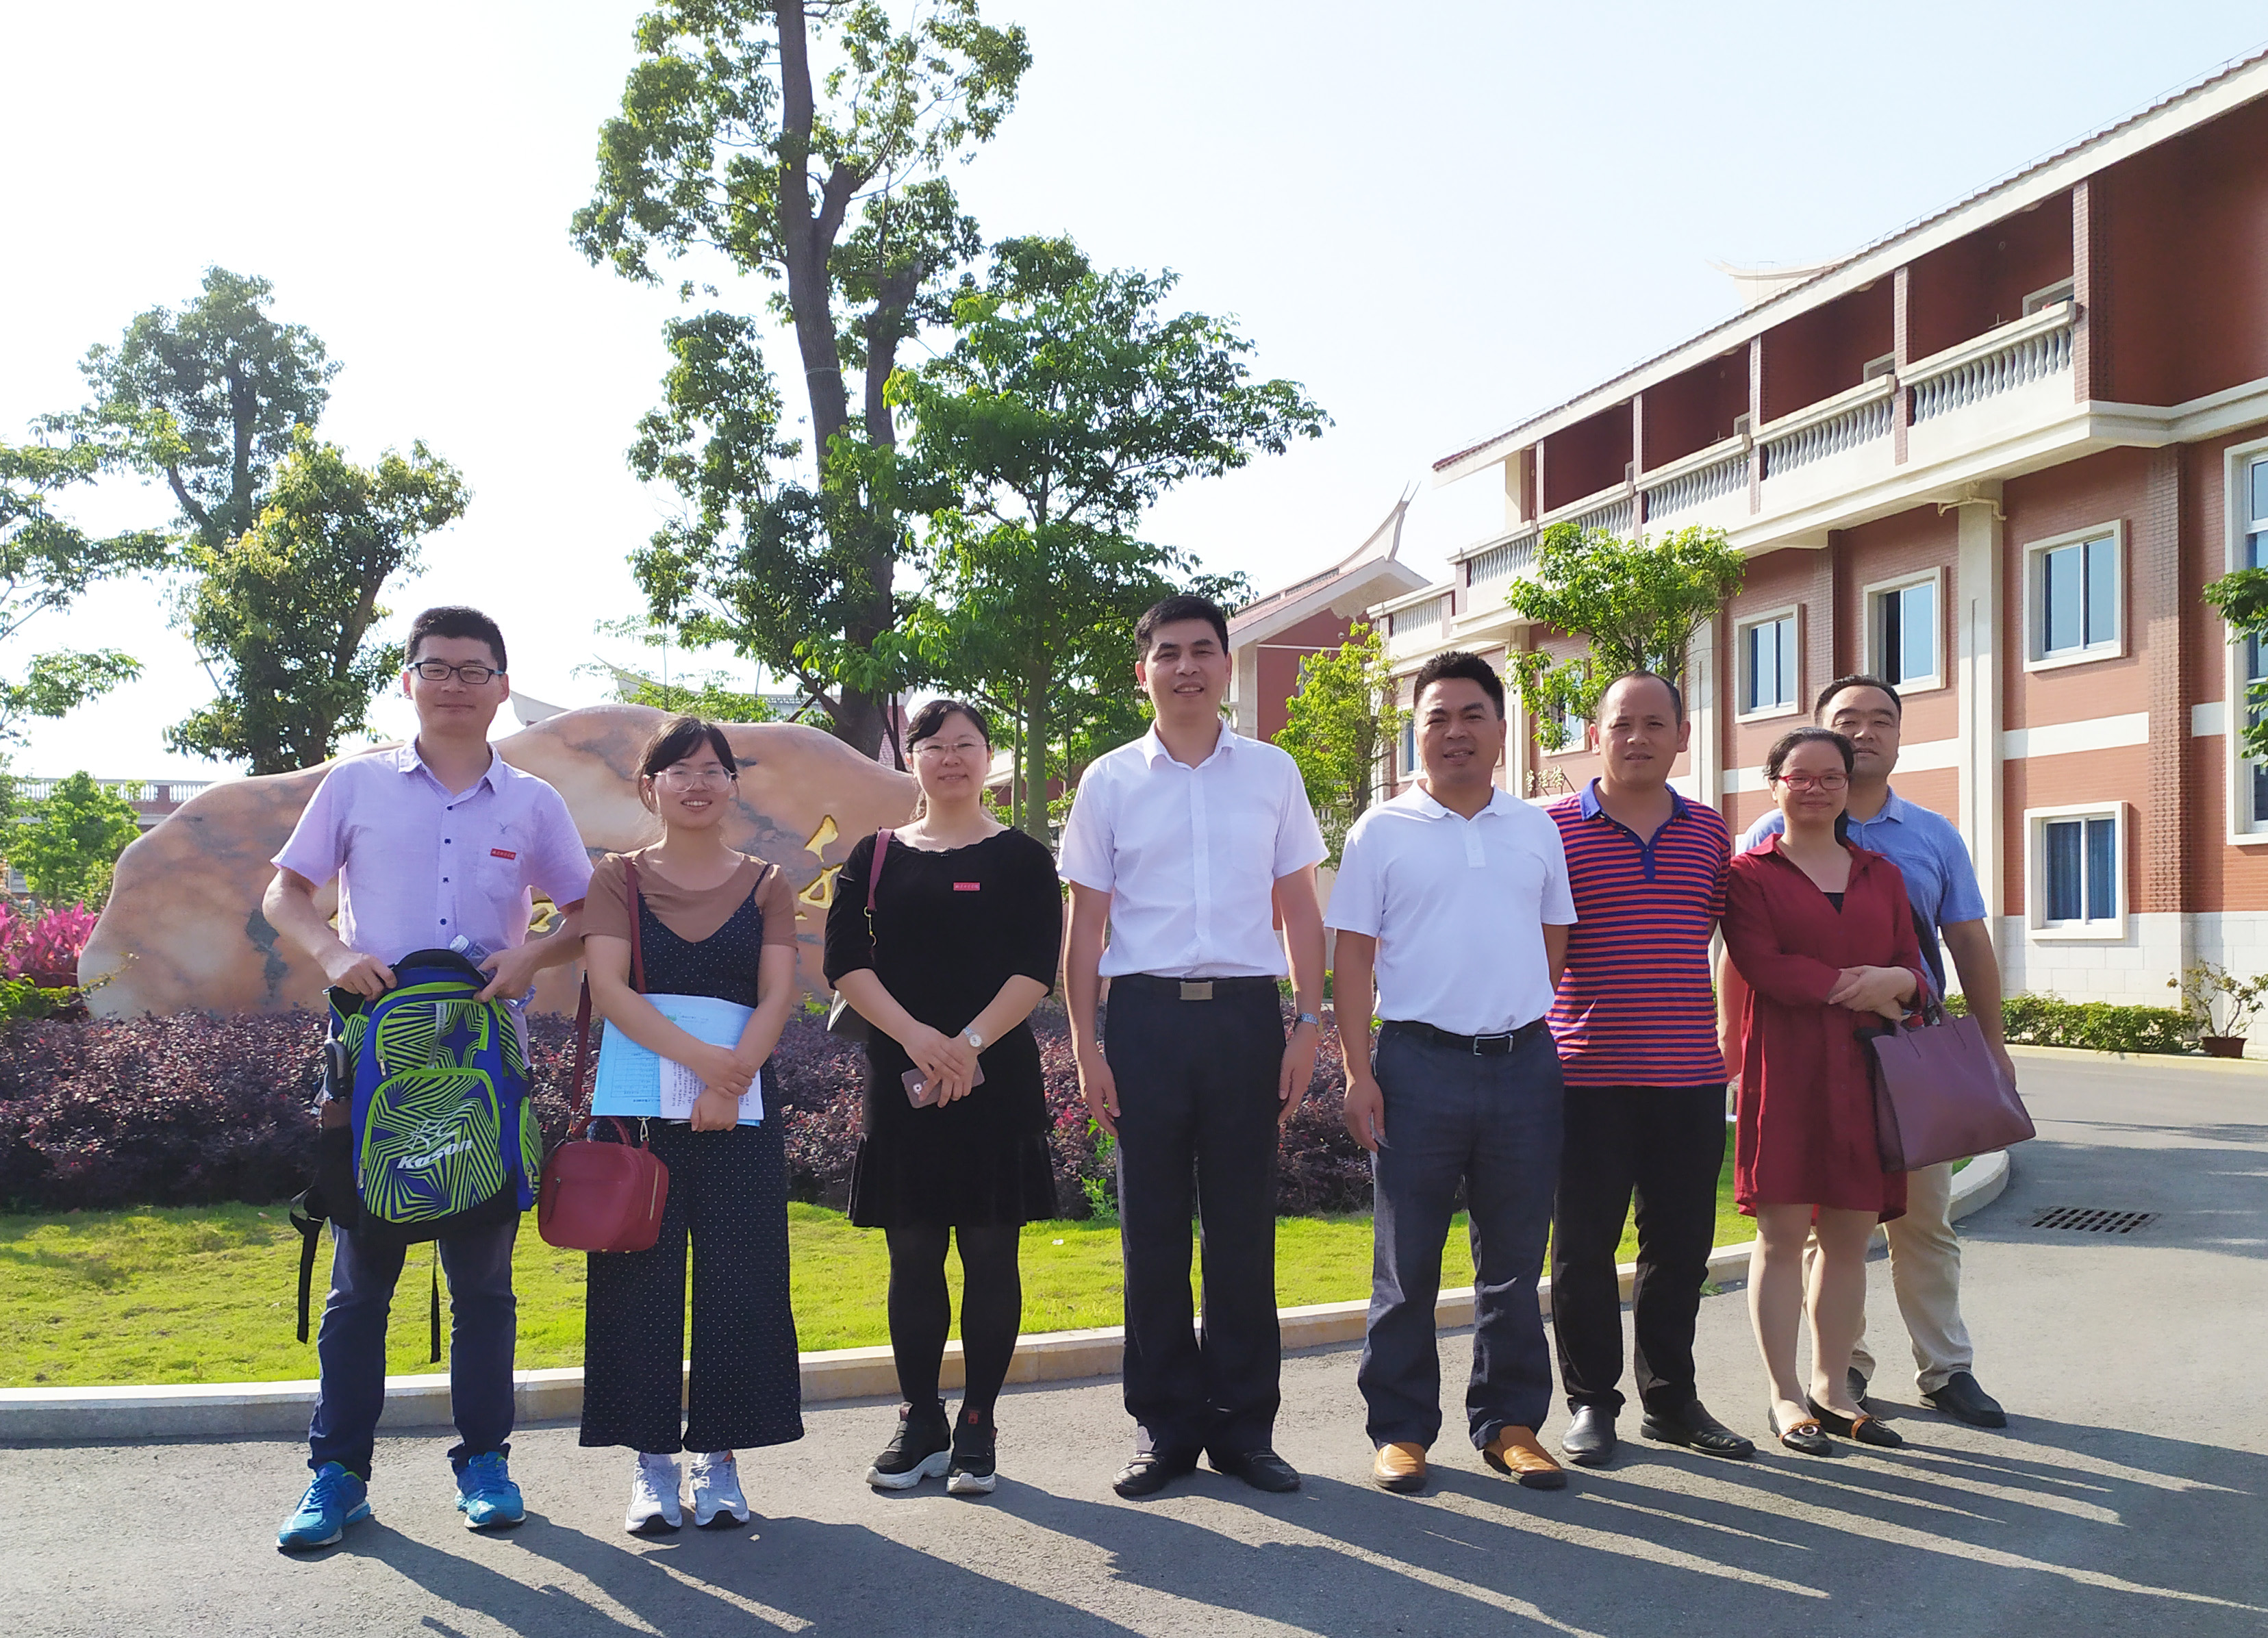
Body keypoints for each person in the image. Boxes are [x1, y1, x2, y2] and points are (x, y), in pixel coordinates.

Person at [268, 606, 592, 1551]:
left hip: (484, 1070)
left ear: (502, 686)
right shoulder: (355, 783)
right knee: (360, 1284)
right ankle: (337, 1476)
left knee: (484, 1285)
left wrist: (531, 956)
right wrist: (333, 954)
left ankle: (485, 1462)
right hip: (373, 1069)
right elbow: (285, 892)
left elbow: (586, 911)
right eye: (437, 667)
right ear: (408, 680)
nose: (455, 684)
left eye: (473, 669)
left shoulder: (534, 802)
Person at [1060, 594, 1328, 1499]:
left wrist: (1309, 1022)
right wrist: (1087, 1046)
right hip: (1145, 1021)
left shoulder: (1273, 773)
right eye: (1169, 653)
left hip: (1246, 1018)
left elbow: (1300, 908)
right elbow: (1086, 927)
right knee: (1153, 1233)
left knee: (1244, 1232)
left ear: (1225, 665)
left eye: (1203, 650)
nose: (1187, 667)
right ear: (1143, 672)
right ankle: (1165, 1428)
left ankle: (1246, 1429)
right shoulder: (1108, 782)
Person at [1730, 674, 2013, 1429]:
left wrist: (1987, 1041)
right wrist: (1734, 1048)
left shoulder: (1927, 838)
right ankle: (1836, 1370)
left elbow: (1964, 942)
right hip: (1798, 1060)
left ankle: (1945, 1368)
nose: (1864, 733)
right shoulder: (1760, 845)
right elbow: (1745, 960)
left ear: (1897, 735)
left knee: (1921, 1220)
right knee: (1808, 1230)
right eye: (1846, 720)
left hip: (1904, 1057)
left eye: (1880, 720)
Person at [1332, 651, 1578, 1494]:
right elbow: (1353, 960)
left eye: (1473, 714)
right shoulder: (1379, 831)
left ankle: (1510, 1424)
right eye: (1436, 717)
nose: (1455, 731)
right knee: (1407, 1265)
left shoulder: (1535, 828)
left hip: (1523, 1066)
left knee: (1515, 1260)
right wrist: (1358, 1072)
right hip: (1416, 1066)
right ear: (1415, 734)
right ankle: (1401, 1429)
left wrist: (1511, 1009)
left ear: (1502, 729)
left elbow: (1553, 939)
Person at [823, 699, 1063, 1498]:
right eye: (934, 745)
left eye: (966, 744)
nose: (951, 757)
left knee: (993, 1253)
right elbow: (845, 961)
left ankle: (978, 1425)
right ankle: (921, 1420)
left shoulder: (1024, 858)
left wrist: (968, 1043)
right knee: (913, 1253)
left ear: (989, 757)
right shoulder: (875, 856)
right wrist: (919, 1038)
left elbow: (1035, 965)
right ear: (913, 759)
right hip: (904, 1082)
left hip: (997, 1082)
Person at [579, 716, 805, 1533]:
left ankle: (719, 1457)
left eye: (713, 769)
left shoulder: (768, 883)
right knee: (636, 1282)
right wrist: (709, 1064)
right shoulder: (618, 879)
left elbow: (778, 993)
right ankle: (651, 1462)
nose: (697, 783)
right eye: (679, 770)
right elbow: (611, 988)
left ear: (733, 785)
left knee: (740, 1279)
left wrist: (730, 1078)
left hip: (739, 1112)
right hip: (639, 1115)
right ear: (651, 787)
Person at [1543, 673, 1754, 1469]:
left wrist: (1732, 1031)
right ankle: (1591, 1402)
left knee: (1681, 1248)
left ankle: (1670, 1400)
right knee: (1583, 1250)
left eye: (1655, 724)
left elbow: (1736, 939)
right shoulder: (1551, 828)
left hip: (1689, 1076)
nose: (1637, 738)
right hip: (1583, 1077)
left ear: (1682, 735)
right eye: (1622, 724)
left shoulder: (1709, 831)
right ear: (1595, 734)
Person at [1721, 727, 1925, 1454]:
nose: (1815, 788)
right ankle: (1784, 1395)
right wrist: (1860, 987)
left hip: (1868, 1073)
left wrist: (1897, 981)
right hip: (1788, 1068)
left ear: (1848, 785)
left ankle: (1834, 1389)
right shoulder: (1748, 875)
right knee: (1780, 1236)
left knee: (1848, 1238)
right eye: (1799, 776)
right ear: (1773, 784)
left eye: (1830, 777)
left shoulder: (1881, 874)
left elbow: (1914, 966)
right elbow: (1763, 964)